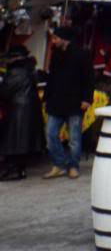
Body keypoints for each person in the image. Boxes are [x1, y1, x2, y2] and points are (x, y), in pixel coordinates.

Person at [41, 26, 92, 179]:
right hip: (56, 101)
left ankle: (73, 166)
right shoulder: (56, 54)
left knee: (74, 139)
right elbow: (52, 78)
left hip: (75, 102)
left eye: (56, 38)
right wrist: (46, 98)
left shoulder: (81, 54)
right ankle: (59, 164)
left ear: (64, 39)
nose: (54, 41)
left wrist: (86, 98)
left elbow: (89, 78)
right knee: (50, 135)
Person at [0, 45, 44, 181]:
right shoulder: (29, 69)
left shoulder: (16, 72)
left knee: (14, 141)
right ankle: (19, 169)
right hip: (27, 109)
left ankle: (15, 170)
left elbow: (4, 92)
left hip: (18, 110)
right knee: (20, 141)